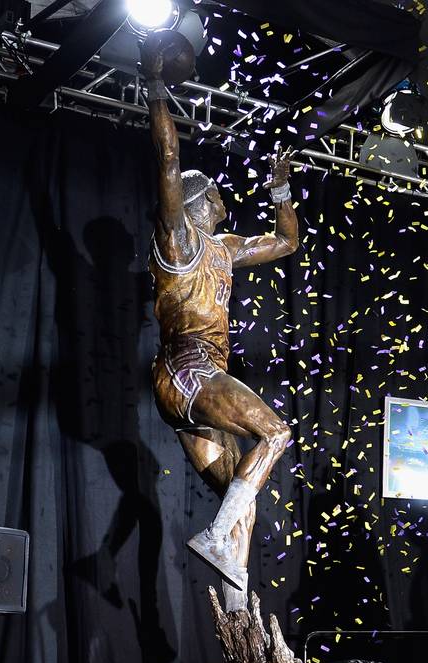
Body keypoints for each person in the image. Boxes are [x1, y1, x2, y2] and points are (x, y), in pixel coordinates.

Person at [140, 37, 299, 610]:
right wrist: (155, 83)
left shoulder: (224, 248)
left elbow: (286, 241)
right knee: (276, 433)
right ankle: (212, 538)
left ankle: (239, 617)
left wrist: (281, 185)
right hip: (187, 371)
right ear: (196, 197)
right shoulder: (177, 238)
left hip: (192, 392)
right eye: (215, 191)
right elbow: (166, 159)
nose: (225, 197)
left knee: (245, 492)